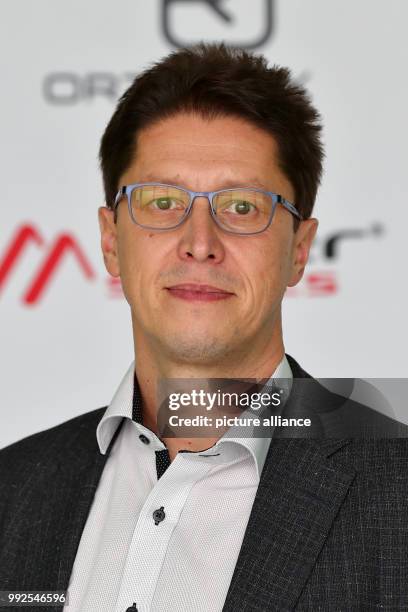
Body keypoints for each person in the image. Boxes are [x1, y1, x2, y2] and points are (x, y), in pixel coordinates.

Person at [0, 42, 407, 612]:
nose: (199, 243)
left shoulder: (397, 491)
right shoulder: (12, 490)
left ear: (299, 251)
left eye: (242, 207)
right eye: (163, 201)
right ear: (111, 241)